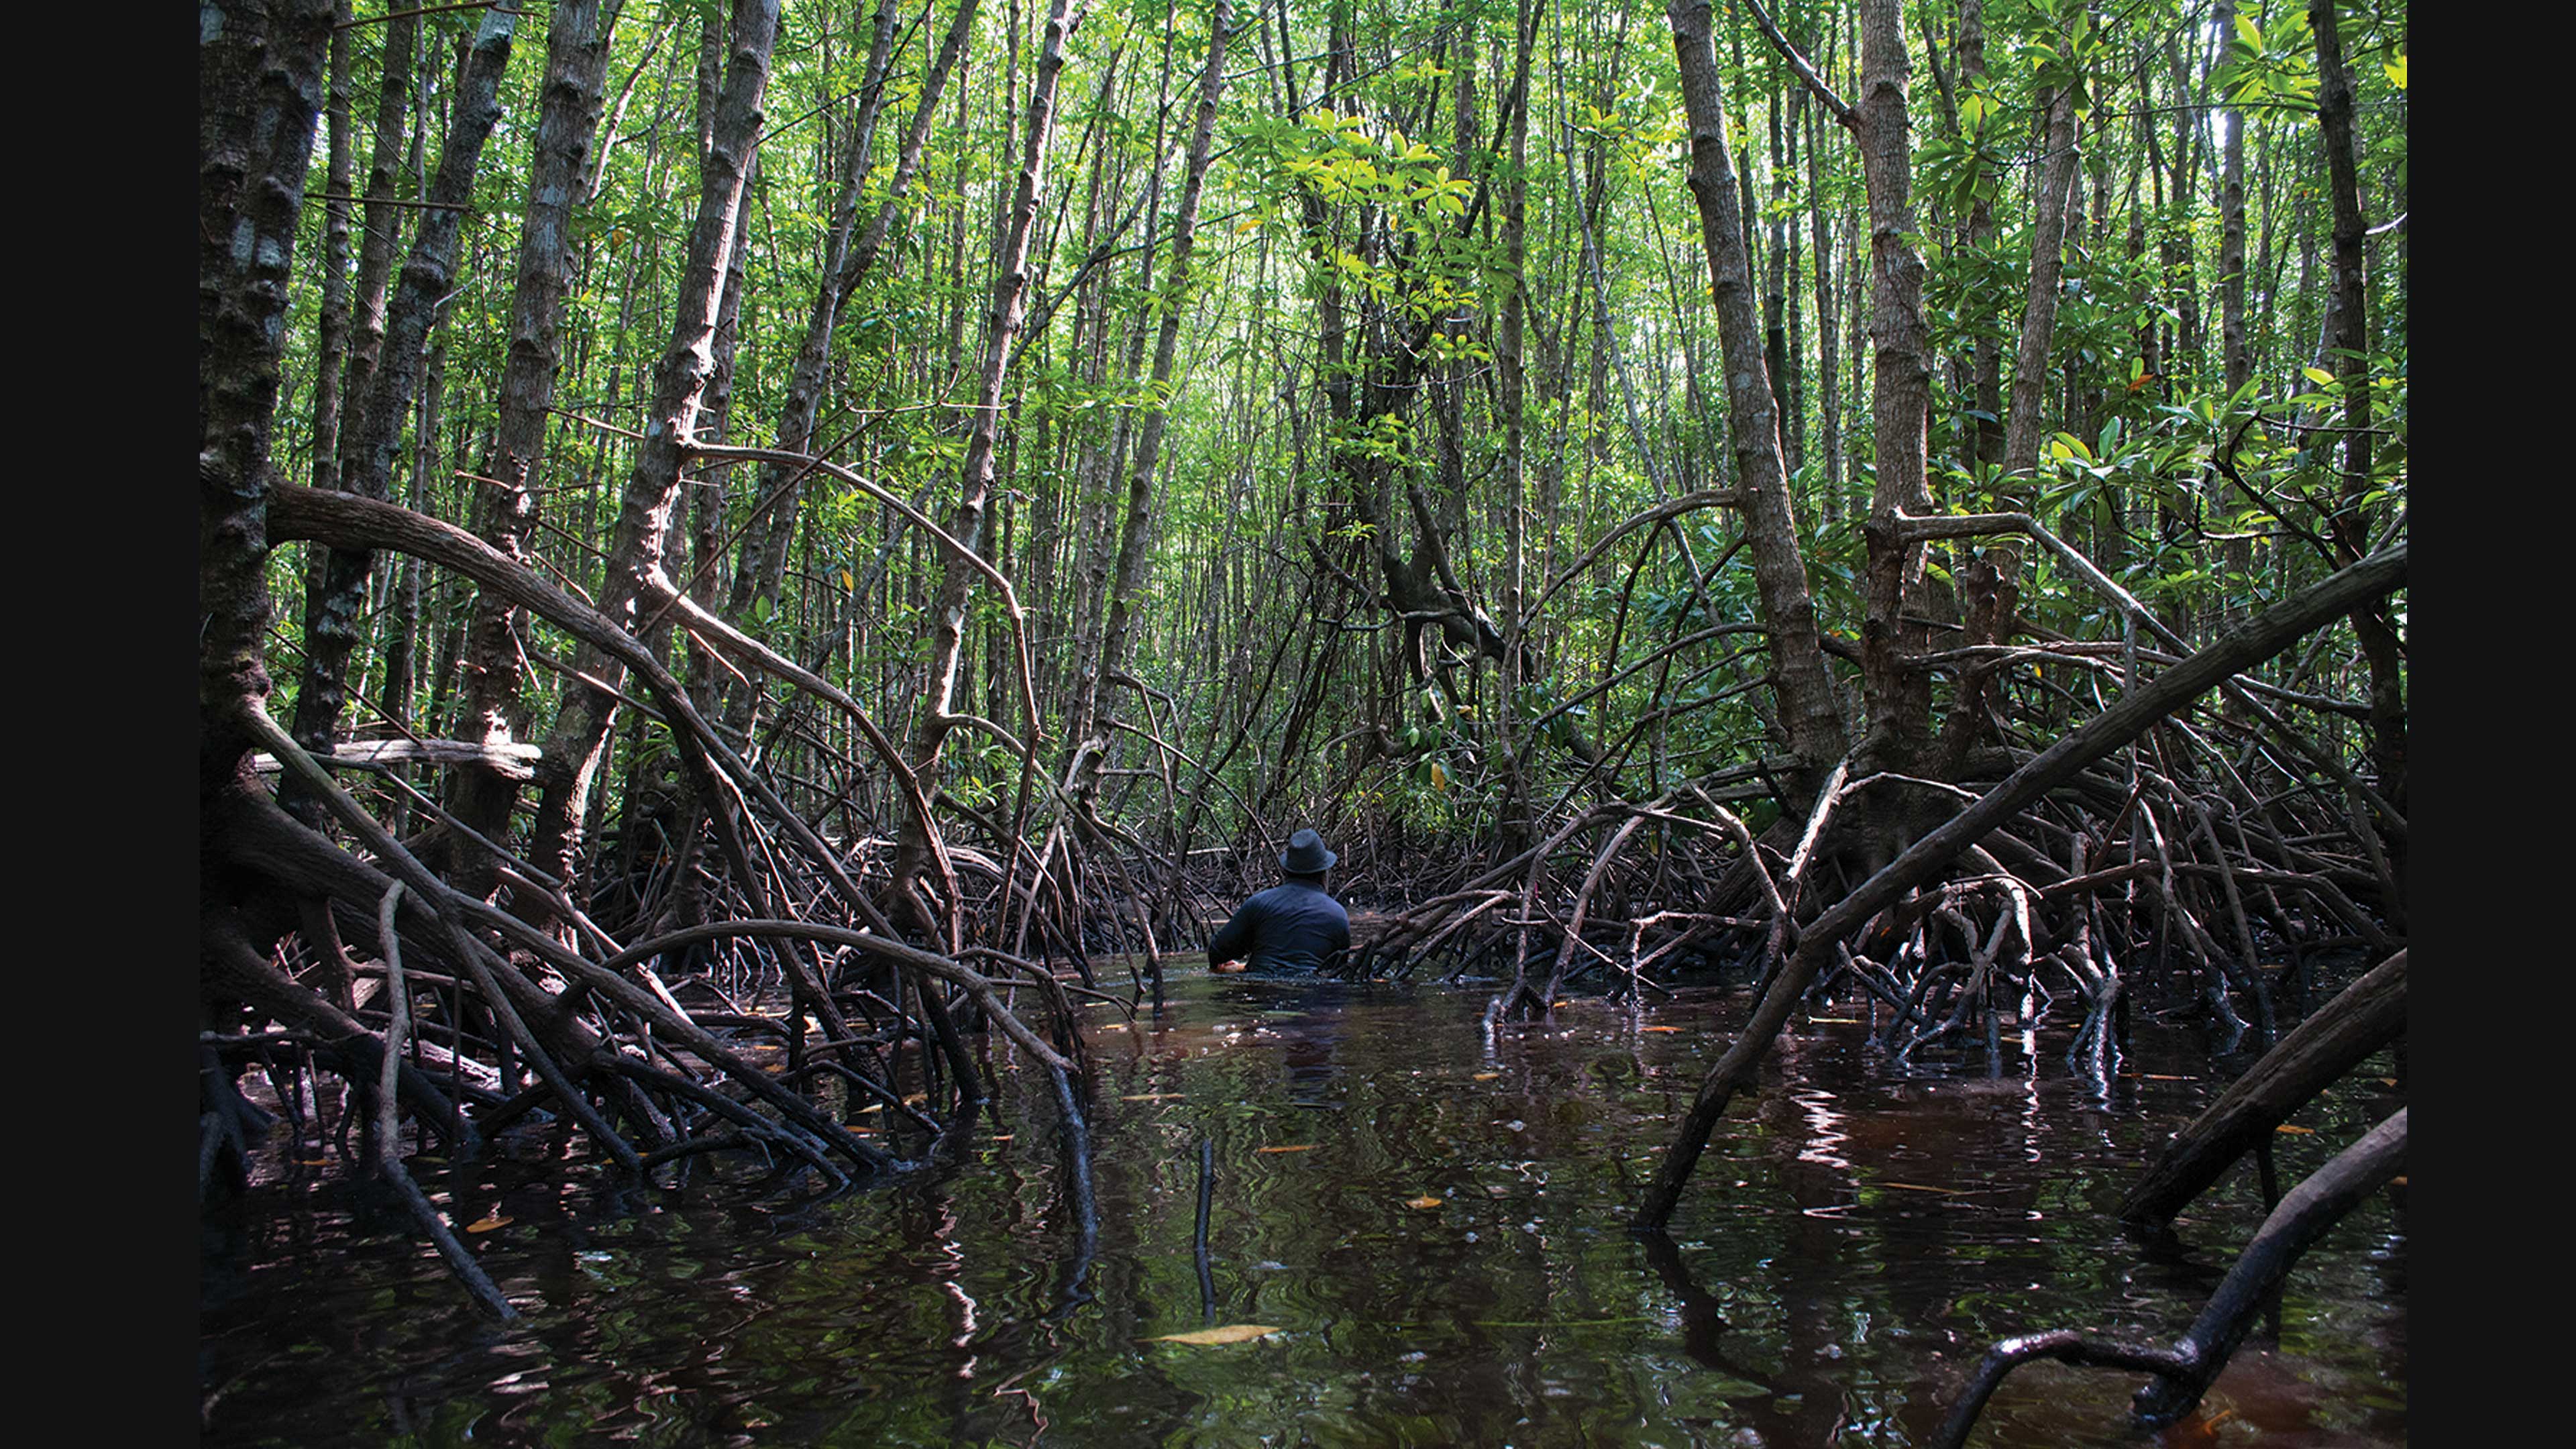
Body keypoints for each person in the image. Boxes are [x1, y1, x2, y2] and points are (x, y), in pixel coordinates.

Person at [1207, 828, 1350, 976]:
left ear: (1285, 870)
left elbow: (1216, 952)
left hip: (1261, 991)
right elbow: (1338, 971)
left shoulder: (1258, 904)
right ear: (1324, 873)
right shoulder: (1338, 915)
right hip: (1313, 990)